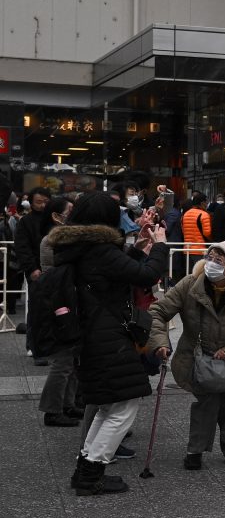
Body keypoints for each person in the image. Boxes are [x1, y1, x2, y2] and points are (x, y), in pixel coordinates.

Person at [52, 191, 168, 496]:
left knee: (108, 404)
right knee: (123, 406)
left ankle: (85, 468)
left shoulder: (79, 246)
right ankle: (92, 473)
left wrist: (139, 250)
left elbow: (113, 275)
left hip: (91, 334)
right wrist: (160, 246)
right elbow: (148, 275)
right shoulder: (101, 249)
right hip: (107, 336)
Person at [149, 240, 225, 470]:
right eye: (210, 257)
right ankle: (195, 450)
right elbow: (159, 312)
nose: (211, 263)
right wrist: (160, 342)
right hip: (197, 355)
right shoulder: (191, 284)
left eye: (219, 260)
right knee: (206, 403)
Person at [37, 197, 82, 427]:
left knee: (71, 359)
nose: (73, 216)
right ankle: (52, 410)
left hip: (66, 301)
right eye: (70, 211)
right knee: (63, 361)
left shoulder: (65, 239)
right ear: (56, 216)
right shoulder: (52, 240)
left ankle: (67, 404)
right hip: (59, 303)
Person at [14, 186, 51, 365]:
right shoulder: (26, 221)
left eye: (46, 202)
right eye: (38, 202)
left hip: (54, 271)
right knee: (37, 310)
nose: (43, 205)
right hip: (36, 271)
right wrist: (32, 268)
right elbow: (22, 247)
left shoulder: (54, 219)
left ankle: (47, 345)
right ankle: (37, 349)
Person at [182, 192, 213, 273]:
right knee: (200, 275)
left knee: (190, 275)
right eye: (206, 202)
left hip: (187, 250)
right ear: (202, 203)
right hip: (200, 250)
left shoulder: (185, 214)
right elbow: (207, 233)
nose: (207, 204)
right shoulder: (204, 214)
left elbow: (183, 231)